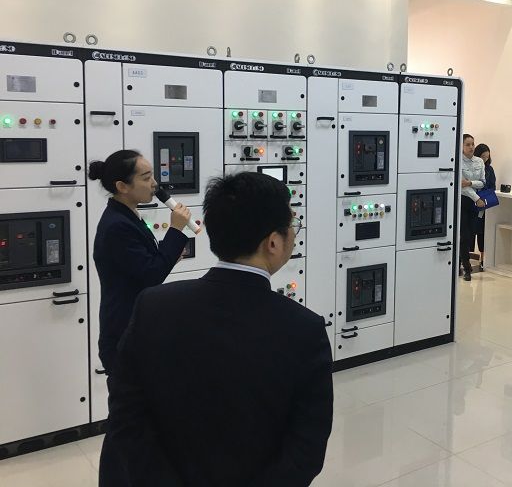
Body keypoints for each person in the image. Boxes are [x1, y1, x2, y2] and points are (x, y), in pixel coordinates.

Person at [100, 172, 333, 486]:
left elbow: (126, 416)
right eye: (292, 225)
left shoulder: (152, 307)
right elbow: (306, 446)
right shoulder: (304, 330)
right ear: (274, 242)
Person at [89, 150, 192, 375]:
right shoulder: (117, 226)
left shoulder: (128, 215)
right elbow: (152, 274)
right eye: (146, 178)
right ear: (122, 186)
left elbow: (144, 265)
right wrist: (175, 229)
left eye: (152, 175)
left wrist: (169, 255)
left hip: (139, 327)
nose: (154, 183)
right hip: (123, 333)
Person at [460, 134, 486, 281]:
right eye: (467, 144)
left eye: (472, 144)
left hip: (476, 202)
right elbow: (461, 186)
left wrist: (470, 182)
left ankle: (465, 262)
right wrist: (476, 198)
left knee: (471, 234)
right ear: (462, 146)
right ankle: (466, 267)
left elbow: (482, 182)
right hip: (464, 200)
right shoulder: (458, 161)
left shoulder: (479, 161)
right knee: (464, 236)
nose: (471, 147)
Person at [473, 143, 496, 271]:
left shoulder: (489, 169)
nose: (485, 159)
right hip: (471, 200)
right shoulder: (471, 167)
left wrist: (484, 194)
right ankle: (464, 257)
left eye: (487, 157)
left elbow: (492, 186)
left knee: (482, 231)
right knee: (469, 231)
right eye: (483, 157)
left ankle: (483, 259)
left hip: (483, 202)